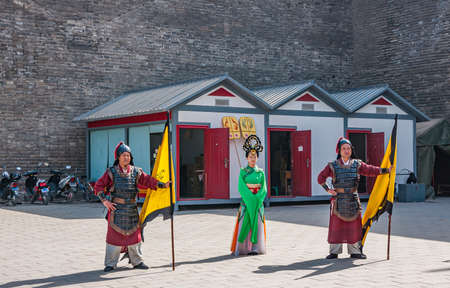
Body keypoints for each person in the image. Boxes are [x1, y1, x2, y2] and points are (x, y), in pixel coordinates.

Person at [94, 142, 170, 272]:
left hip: (132, 210)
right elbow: (98, 186)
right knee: (114, 238)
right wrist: (105, 201)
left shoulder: (136, 171)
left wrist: (163, 185)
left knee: (135, 237)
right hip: (116, 211)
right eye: (123, 155)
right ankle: (110, 263)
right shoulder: (111, 172)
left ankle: (137, 261)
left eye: (128, 155)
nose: (126, 158)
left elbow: (148, 181)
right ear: (118, 157)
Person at [318, 137, 390, 259]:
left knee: (354, 226)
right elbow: (320, 178)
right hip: (338, 201)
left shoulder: (357, 164)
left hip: (353, 199)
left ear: (351, 150)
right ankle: (334, 251)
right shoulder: (332, 166)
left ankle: (355, 251)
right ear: (339, 151)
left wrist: (386, 170)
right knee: (336, 226)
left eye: (348, 148)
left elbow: (370, 170)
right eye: (344, 148)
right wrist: (328, 189)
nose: (346, 151)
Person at [231, 135, 267, 256]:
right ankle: (243, 248)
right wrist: (250, 199)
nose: (252, 158)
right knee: (245, 225)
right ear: (247, 158)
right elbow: (241, 187)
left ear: (257, 158)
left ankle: (255, 248)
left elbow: (264, 188)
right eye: (250, 156)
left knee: (257, 225)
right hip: (246, 203)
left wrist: (257, 199)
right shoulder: (243, 171)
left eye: (255, 156)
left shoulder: (261, 173)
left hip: (257, 204)